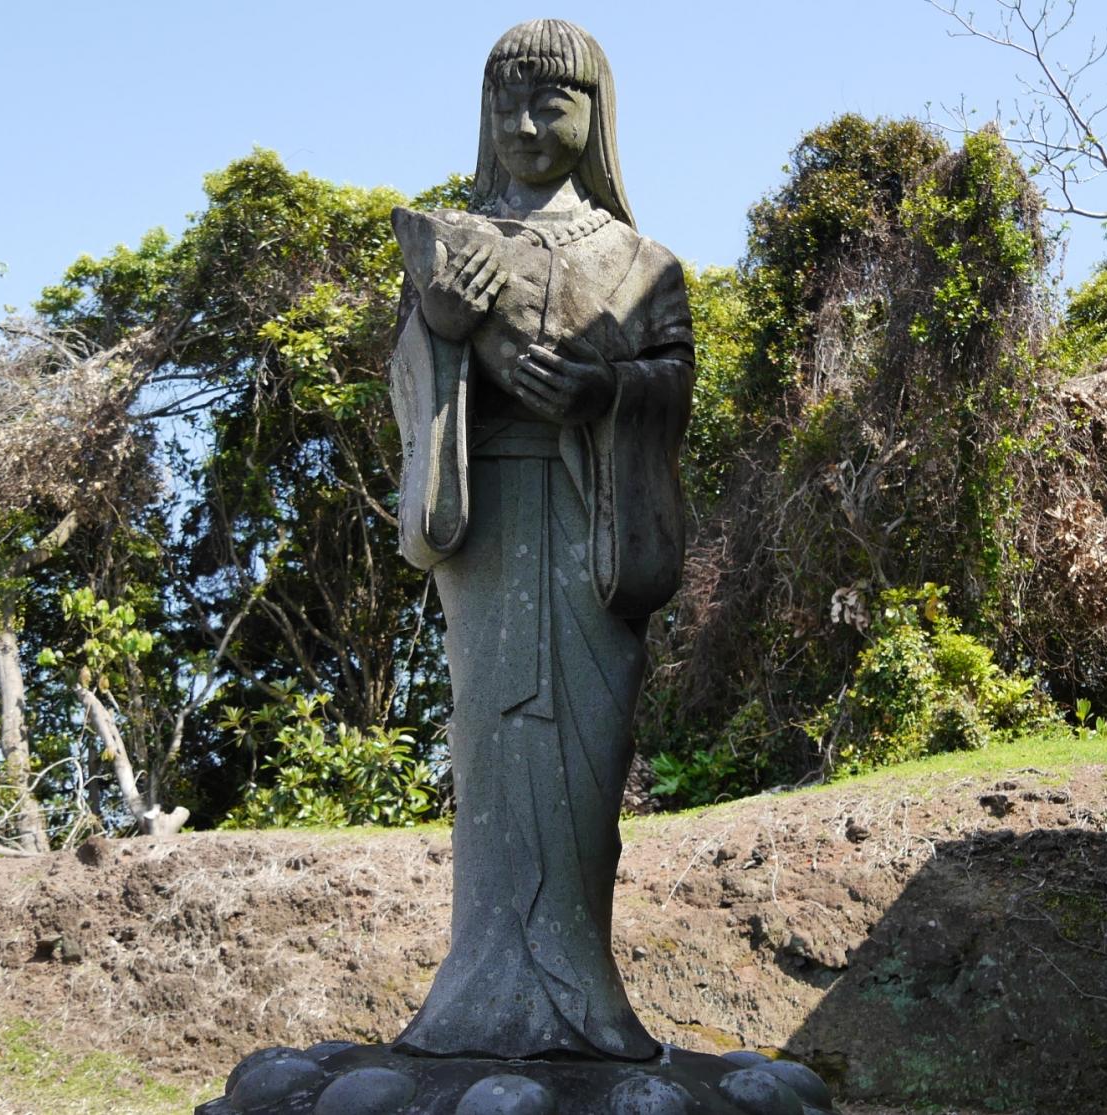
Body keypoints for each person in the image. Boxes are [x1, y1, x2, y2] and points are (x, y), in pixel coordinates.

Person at [387, 20, 693, 1062]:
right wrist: (440, 330)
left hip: (591, 523)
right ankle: (476, 991)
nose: (522, 125)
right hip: (486, 524)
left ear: (593, 115)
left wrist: (603, 388)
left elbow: (672, 386)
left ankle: (580, 984)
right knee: (487, 742)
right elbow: (409, 384)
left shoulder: (642, 262)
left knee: (586, 760)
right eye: (504, 104)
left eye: (548, 103)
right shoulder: (449, 247)